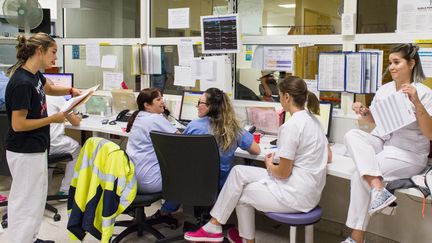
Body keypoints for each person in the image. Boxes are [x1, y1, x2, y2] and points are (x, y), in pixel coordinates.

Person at [183, 76, 329, 243]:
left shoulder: (291, 126)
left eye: (280, 95)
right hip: (309, 189)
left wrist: (268, 165)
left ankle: (238, 237)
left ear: (287, 97)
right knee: (238, 172)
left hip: (295, 194)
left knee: (242, 194)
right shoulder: (314, 121)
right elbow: (328, 155)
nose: (279, 98)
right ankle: (214, 226)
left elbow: (282, 173)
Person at [342, 44, 432, 243]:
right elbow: (376, 119)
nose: (392, 67)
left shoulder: (424, 93)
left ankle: (356, 238)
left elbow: (430, 133)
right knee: (352, 135)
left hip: (408, 153)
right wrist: (365, 112)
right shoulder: (384, 90)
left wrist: (416, 102)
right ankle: (379, 190)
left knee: (359, 174)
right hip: (383, 142)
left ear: (411, 63)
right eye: (390, 63)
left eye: (397, 62)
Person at [5, 32, 81, 243]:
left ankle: (30, 237)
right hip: (24, 150)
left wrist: (71, 90)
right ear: (40, 51)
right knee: (25, 200)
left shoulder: (35, 75)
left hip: (36, 147)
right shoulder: (22, 82)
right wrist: (53, 118)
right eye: (53, 52)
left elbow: (49, 88)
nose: (55, 58)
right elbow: (18, 125)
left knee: (35, 199)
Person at [154, 87, 261, 219]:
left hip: (190, 183)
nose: (197, 106)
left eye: (200, 103)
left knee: (183, 172)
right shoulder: (234, 129)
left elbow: (182, 154)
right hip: (219, 185)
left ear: (211, 107)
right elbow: (257, 150)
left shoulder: (194, 126)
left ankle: (165, 211)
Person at [125, 88, 178, 194]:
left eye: (162, 98)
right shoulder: (155, 119)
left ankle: (167, 209)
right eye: (158, 99)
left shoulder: (138, 117)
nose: (163, 102)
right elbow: (182, 141)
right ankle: (167, 209)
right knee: (187, 170)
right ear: (147, 105)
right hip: (149, 182)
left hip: (131, 181)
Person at [46, 94, 81, 195]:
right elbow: (75, 122)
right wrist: (78, 117)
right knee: (77, 150)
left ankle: (45, 189)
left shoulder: (34, 96)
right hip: (53, 143)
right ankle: (66, 189)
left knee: (48, 157)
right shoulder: (56, 97)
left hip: (37, 144)